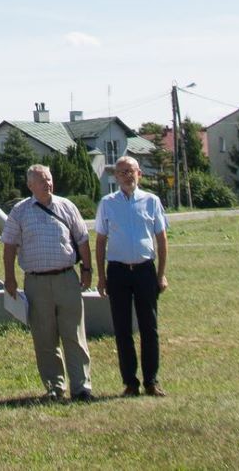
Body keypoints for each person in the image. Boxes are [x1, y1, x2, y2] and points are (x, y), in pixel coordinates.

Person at [1, 164, 95, 402]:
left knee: (74, 335)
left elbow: (82, 239)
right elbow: (9, 245)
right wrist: (9, 277)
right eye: (42, 181)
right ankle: (55, 387)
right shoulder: (20, 211)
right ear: (30, 185)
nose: (48, 184)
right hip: (37, 282)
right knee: (45, 338)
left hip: (66, 278)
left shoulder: (67, 206)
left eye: (49, 179)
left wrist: (86, 268)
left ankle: (81, 387)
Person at [93, 154, 169, 397]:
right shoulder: (107, 203)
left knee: (149, 328)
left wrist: (161, 274)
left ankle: (151, 381)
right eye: (122, 172)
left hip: (145, 270)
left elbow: (161, 239)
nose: (127, 176)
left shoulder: (152, 201)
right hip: (117, 271)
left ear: (140, 174)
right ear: (115, 177)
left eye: (131, 171)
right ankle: (130, 383)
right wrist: (102, 277)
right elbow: (100, 240)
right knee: (122, 328)